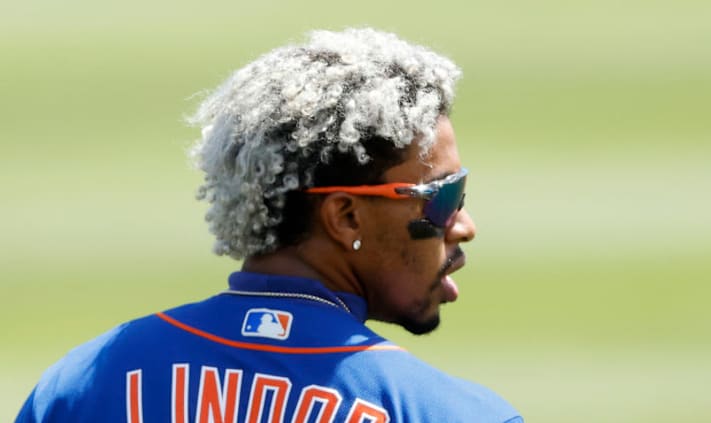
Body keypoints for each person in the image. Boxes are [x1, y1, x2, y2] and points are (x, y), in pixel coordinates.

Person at [16, 28, 523, 422]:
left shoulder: (81, 387)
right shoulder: (452, 414)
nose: (463, 225)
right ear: (346, 217)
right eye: (443, 198)